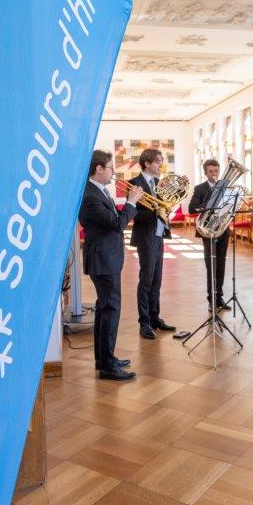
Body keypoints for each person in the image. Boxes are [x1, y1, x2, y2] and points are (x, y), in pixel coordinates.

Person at [79, 149, 143, 380]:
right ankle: (107, 367)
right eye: (110, 168)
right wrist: (131, 202)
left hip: (106, 257)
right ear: (99, 169)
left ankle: (104, 359)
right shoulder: (90, 196)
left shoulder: (99, 191)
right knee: (111, 309)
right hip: (102, 259)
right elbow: (117, 224)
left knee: (104, 308)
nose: (113, 172)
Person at [129, 148, 177, 339]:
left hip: (158, 235)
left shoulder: (158, 183)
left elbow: (164, 209)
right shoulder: (134, 183)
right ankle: (144, 322)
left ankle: (155, 318)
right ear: (147, 163)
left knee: (157, 279)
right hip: (145, 236)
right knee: (146, 280)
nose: (160, 165)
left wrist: (166, 208)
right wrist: (155, 210)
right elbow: (134, 212)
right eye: (157, 161)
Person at [189, 159, 231, 313]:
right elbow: (192, 208)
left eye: (216, 171)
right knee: (211, 265)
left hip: (223, 229)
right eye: (211, 171)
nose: (214, 174)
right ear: (205, 173)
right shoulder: (200, 188)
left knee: (221, 264)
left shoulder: (226, 187)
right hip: (208, 230)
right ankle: (211, 299)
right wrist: (208, 204)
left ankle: (219, 297)